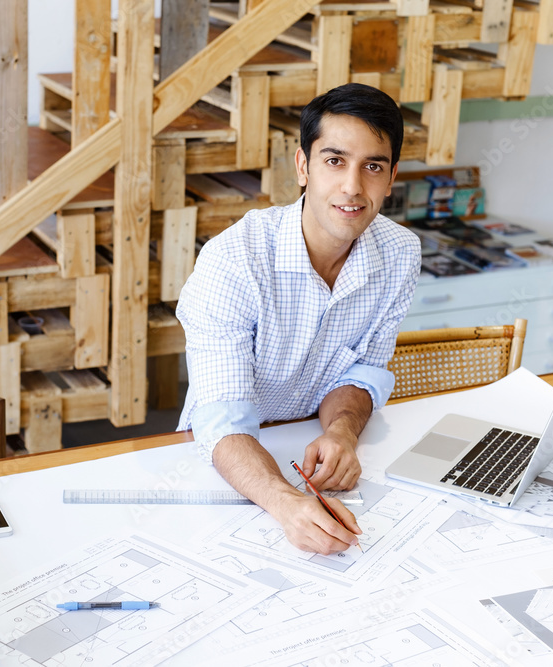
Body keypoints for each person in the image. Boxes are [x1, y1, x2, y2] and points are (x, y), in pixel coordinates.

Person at [175, 83, 421, 555]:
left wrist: (342, 431)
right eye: (334, 161)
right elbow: (222, 421)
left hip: (315, 446)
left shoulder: (400, 254)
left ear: (390, 179)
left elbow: (363, 369)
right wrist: (284, 502)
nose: (353, 186)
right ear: (303, 166)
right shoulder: (234, 260)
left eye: (373, 166)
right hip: (230, 464)